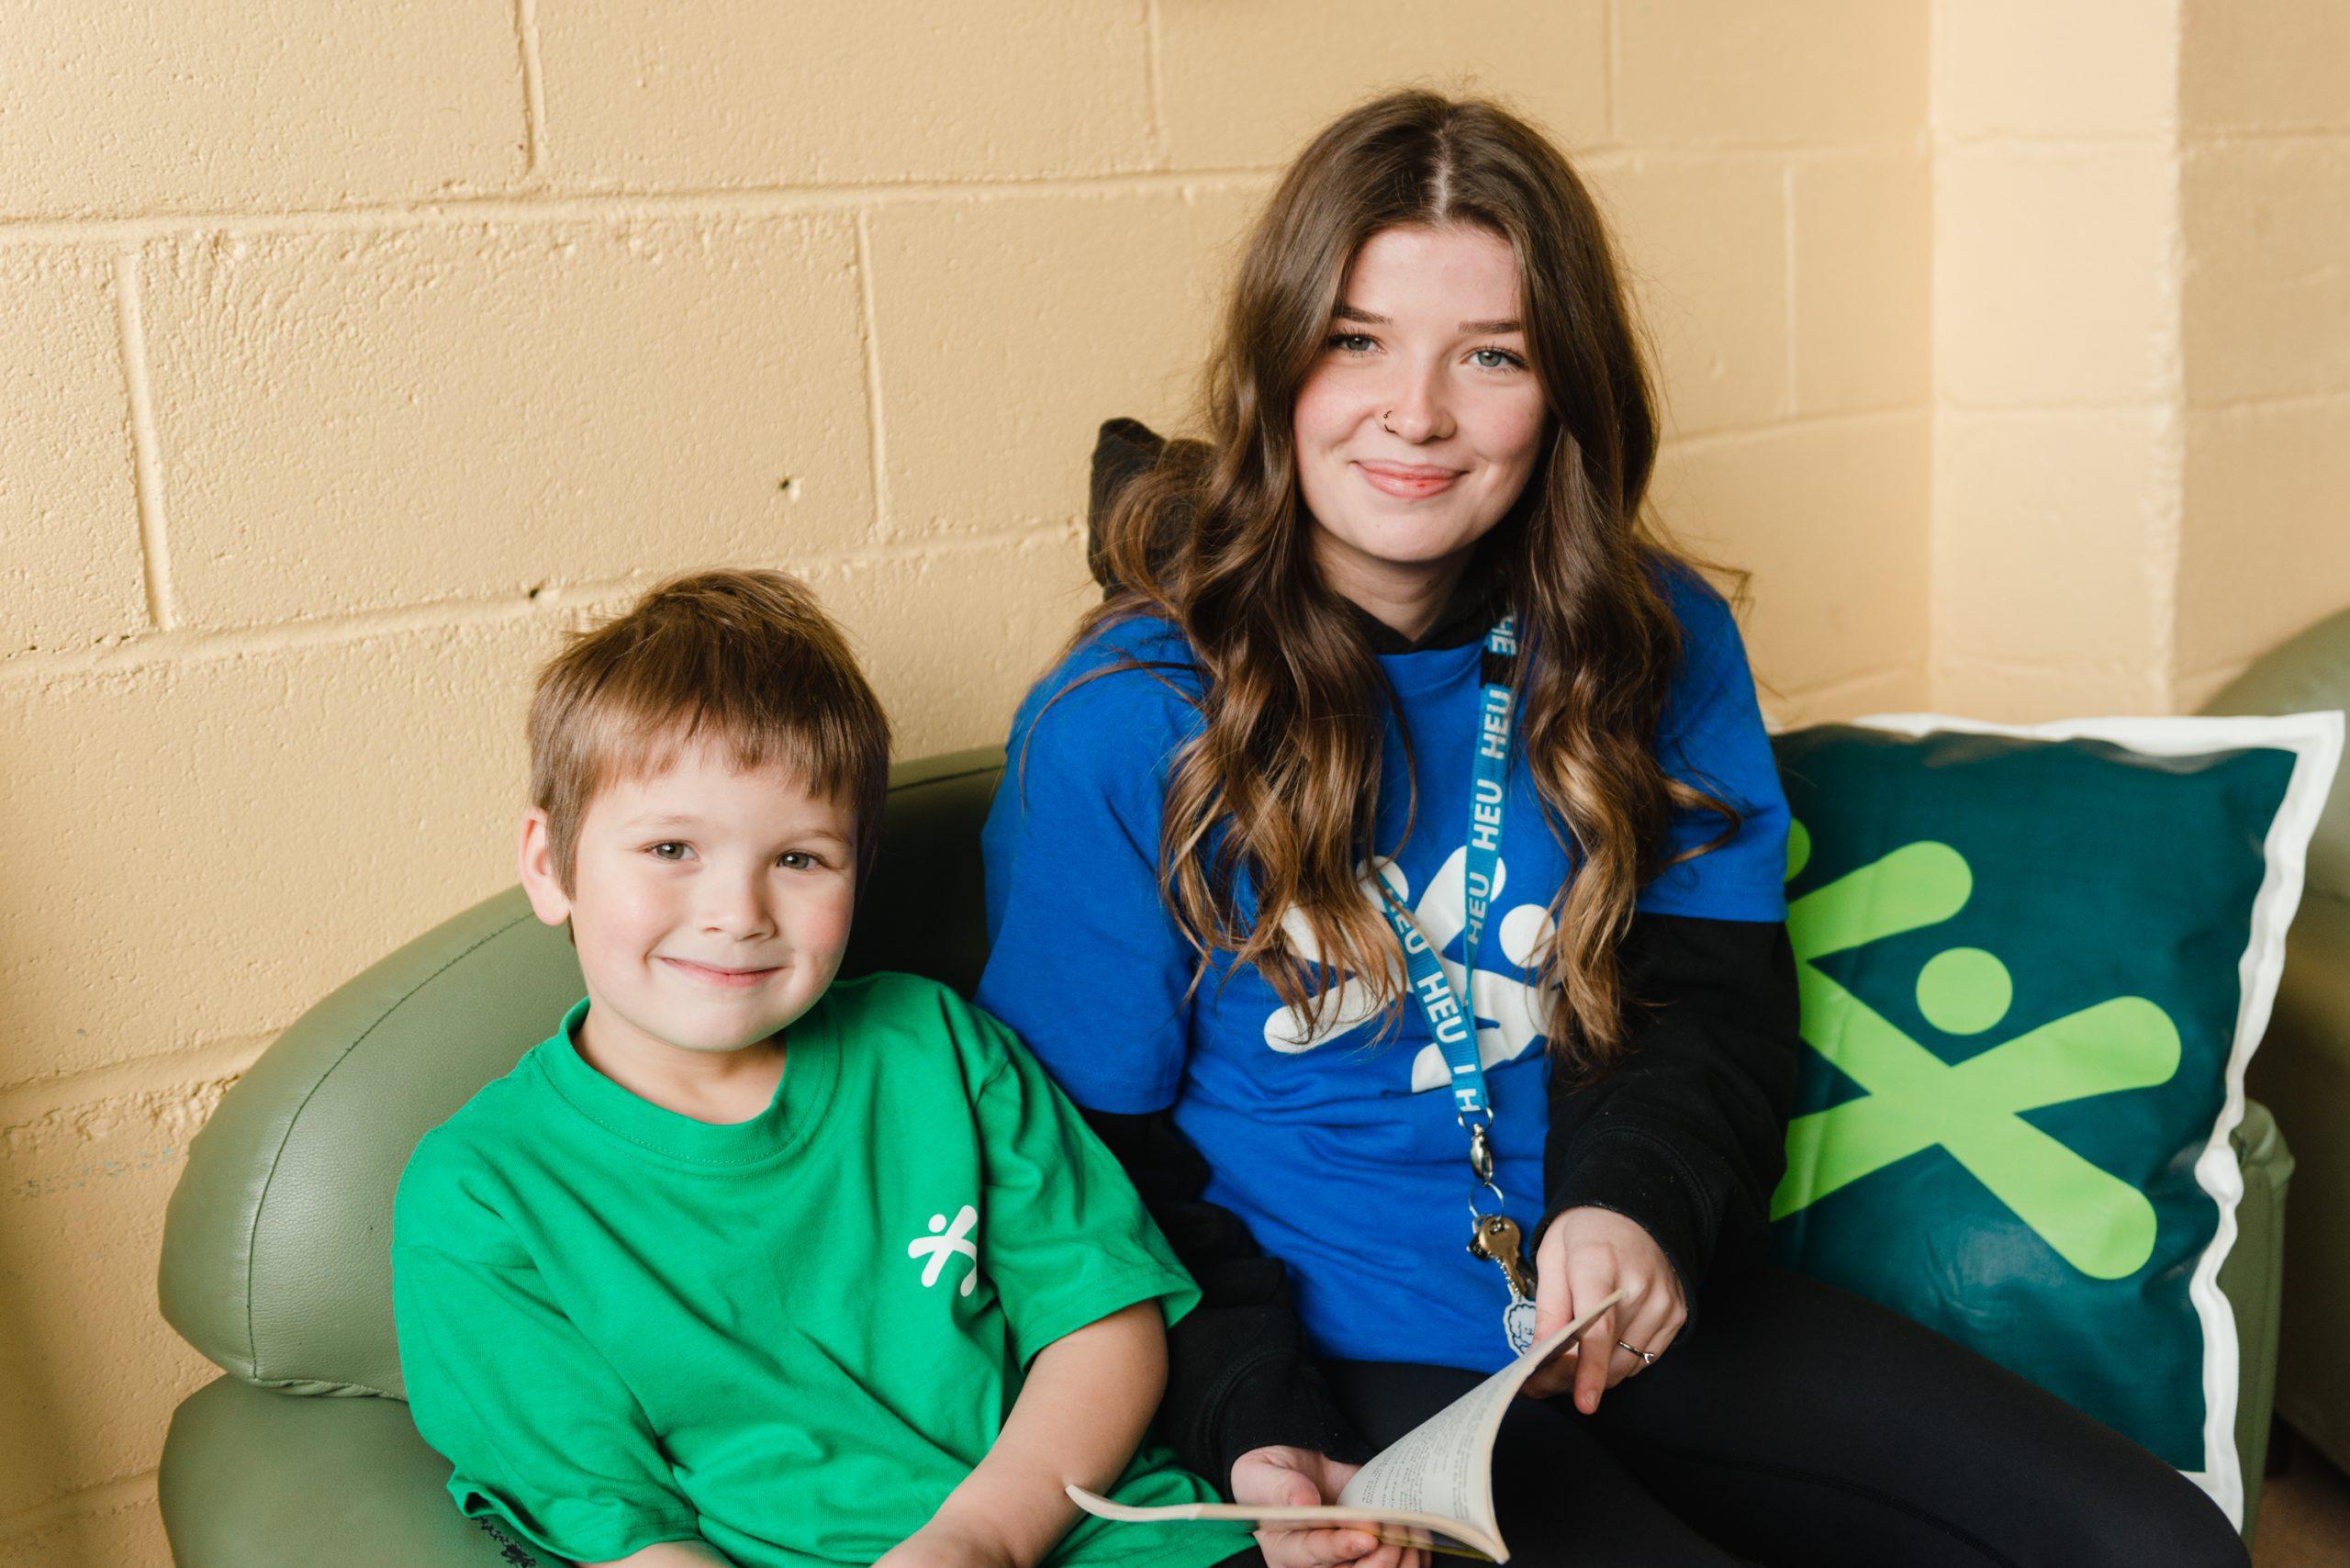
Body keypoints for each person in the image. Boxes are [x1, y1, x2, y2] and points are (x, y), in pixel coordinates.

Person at [976, 93, 2251, 1568]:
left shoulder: (1650, 635)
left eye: (1493, 356)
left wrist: (1636, 1204)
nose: (1417, 412)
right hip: (1340, 1359)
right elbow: (1084, 1172)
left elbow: (1705, 999)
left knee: (2165, 1548)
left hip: (1617, 1297)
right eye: (1356, 340)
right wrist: (1251, 1414)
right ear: (1278, 365)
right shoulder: (1123, 722)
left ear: (1564, 391)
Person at [390, 569, 1256, 1568]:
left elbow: (1104, 1324)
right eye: (672, 846)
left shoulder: (936, 1046)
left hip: (1099, 1539)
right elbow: (617, 1528)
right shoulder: (481, 1195)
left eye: (799, 859)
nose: (738, 911)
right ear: (549, 865)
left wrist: (981, 1539)